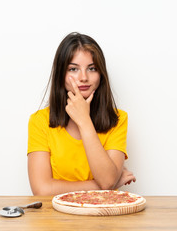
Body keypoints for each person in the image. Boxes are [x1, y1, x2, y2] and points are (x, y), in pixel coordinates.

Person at [27, 32, 136, 196]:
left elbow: (107, 180)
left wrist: (84, 121)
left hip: (101, 216)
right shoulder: (40, 121)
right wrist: (102, 186)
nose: (83, 77)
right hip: (54, 219)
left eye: (92, 68)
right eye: (73, 69)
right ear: (60, 75)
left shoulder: (118, 119)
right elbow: (42, 190)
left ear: (101, 74)